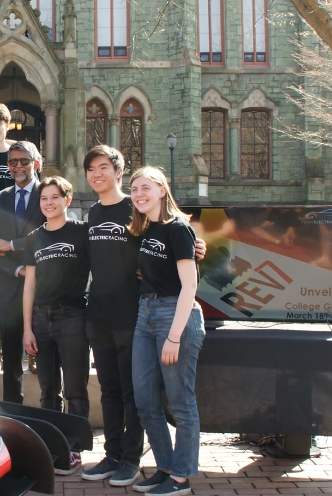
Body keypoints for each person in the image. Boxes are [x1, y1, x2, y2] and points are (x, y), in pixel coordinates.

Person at [81, 145, 206, 487]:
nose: (97, 174)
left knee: (138, 395)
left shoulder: (137, 211)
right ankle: (116, 455)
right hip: (107, 317)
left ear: (117, 171)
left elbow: (179, 257)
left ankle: (135, 460)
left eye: (103, 167)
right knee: (115, 392)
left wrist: (198, 248)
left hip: (137, 313)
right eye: (91, 169)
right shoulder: (98, 214)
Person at [127, 166, 203, 496]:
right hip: (145, 314)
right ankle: (166, 467)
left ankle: (182, 478)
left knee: (180, 402)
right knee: (145, 401)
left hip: (176, 315)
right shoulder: (145, 229)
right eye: (134, 189)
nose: (139, 194)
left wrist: (174, 336)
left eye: (145, 187)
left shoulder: (178, 229)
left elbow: (190, 286)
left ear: (161, 190)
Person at [22, 175, 90, 475]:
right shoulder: (34, 237)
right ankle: (53, 447)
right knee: (48, 390)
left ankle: (74, 449)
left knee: (76, 389)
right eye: (44, 199)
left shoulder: (82, 232)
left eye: (54, 197)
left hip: (73, 316)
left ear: (67, 199)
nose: (49, 203)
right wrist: (27, 327)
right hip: (40, 318)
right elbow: (30, 285)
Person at [0, 141, 46, 404]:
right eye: (13, 161)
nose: (18, 166)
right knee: (10, 364)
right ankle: (13, 416)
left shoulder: (48, 193)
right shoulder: (0, 198)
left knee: (47, 361)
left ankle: (49, 415)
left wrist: (13, 246)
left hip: (43, 289)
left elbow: (50, 237)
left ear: (36, 163)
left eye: (24, 161)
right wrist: (17, 269)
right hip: (9, 289)